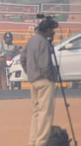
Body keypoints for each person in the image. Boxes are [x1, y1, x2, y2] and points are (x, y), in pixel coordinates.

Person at [24, 16, 58, 146]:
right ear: (47, 30)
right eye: (52, 30)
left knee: (36, 112)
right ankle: (41, 142)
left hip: (33, 80)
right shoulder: (43, 42)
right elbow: (45, 64)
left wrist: (30, 72)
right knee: (45, 113)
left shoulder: (32, 40)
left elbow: (23, 57)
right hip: (44, 80)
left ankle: (32, 141)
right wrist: (48, 76)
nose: (53, 33)